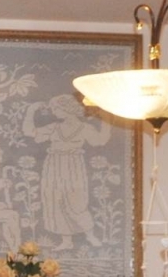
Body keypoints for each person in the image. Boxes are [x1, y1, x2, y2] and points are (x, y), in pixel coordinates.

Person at [23, 93, 111, 250]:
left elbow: (100, 140)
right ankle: (66, 241)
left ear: (66, 109)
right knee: (57, 202)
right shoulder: (54, 127)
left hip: (73, 167)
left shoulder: (84, 128)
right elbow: (29, 132)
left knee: (77, 203)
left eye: (56, 109)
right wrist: (31, 111)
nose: (53, 112)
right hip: (54, 166)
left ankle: (90, 235)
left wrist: (106, 120)